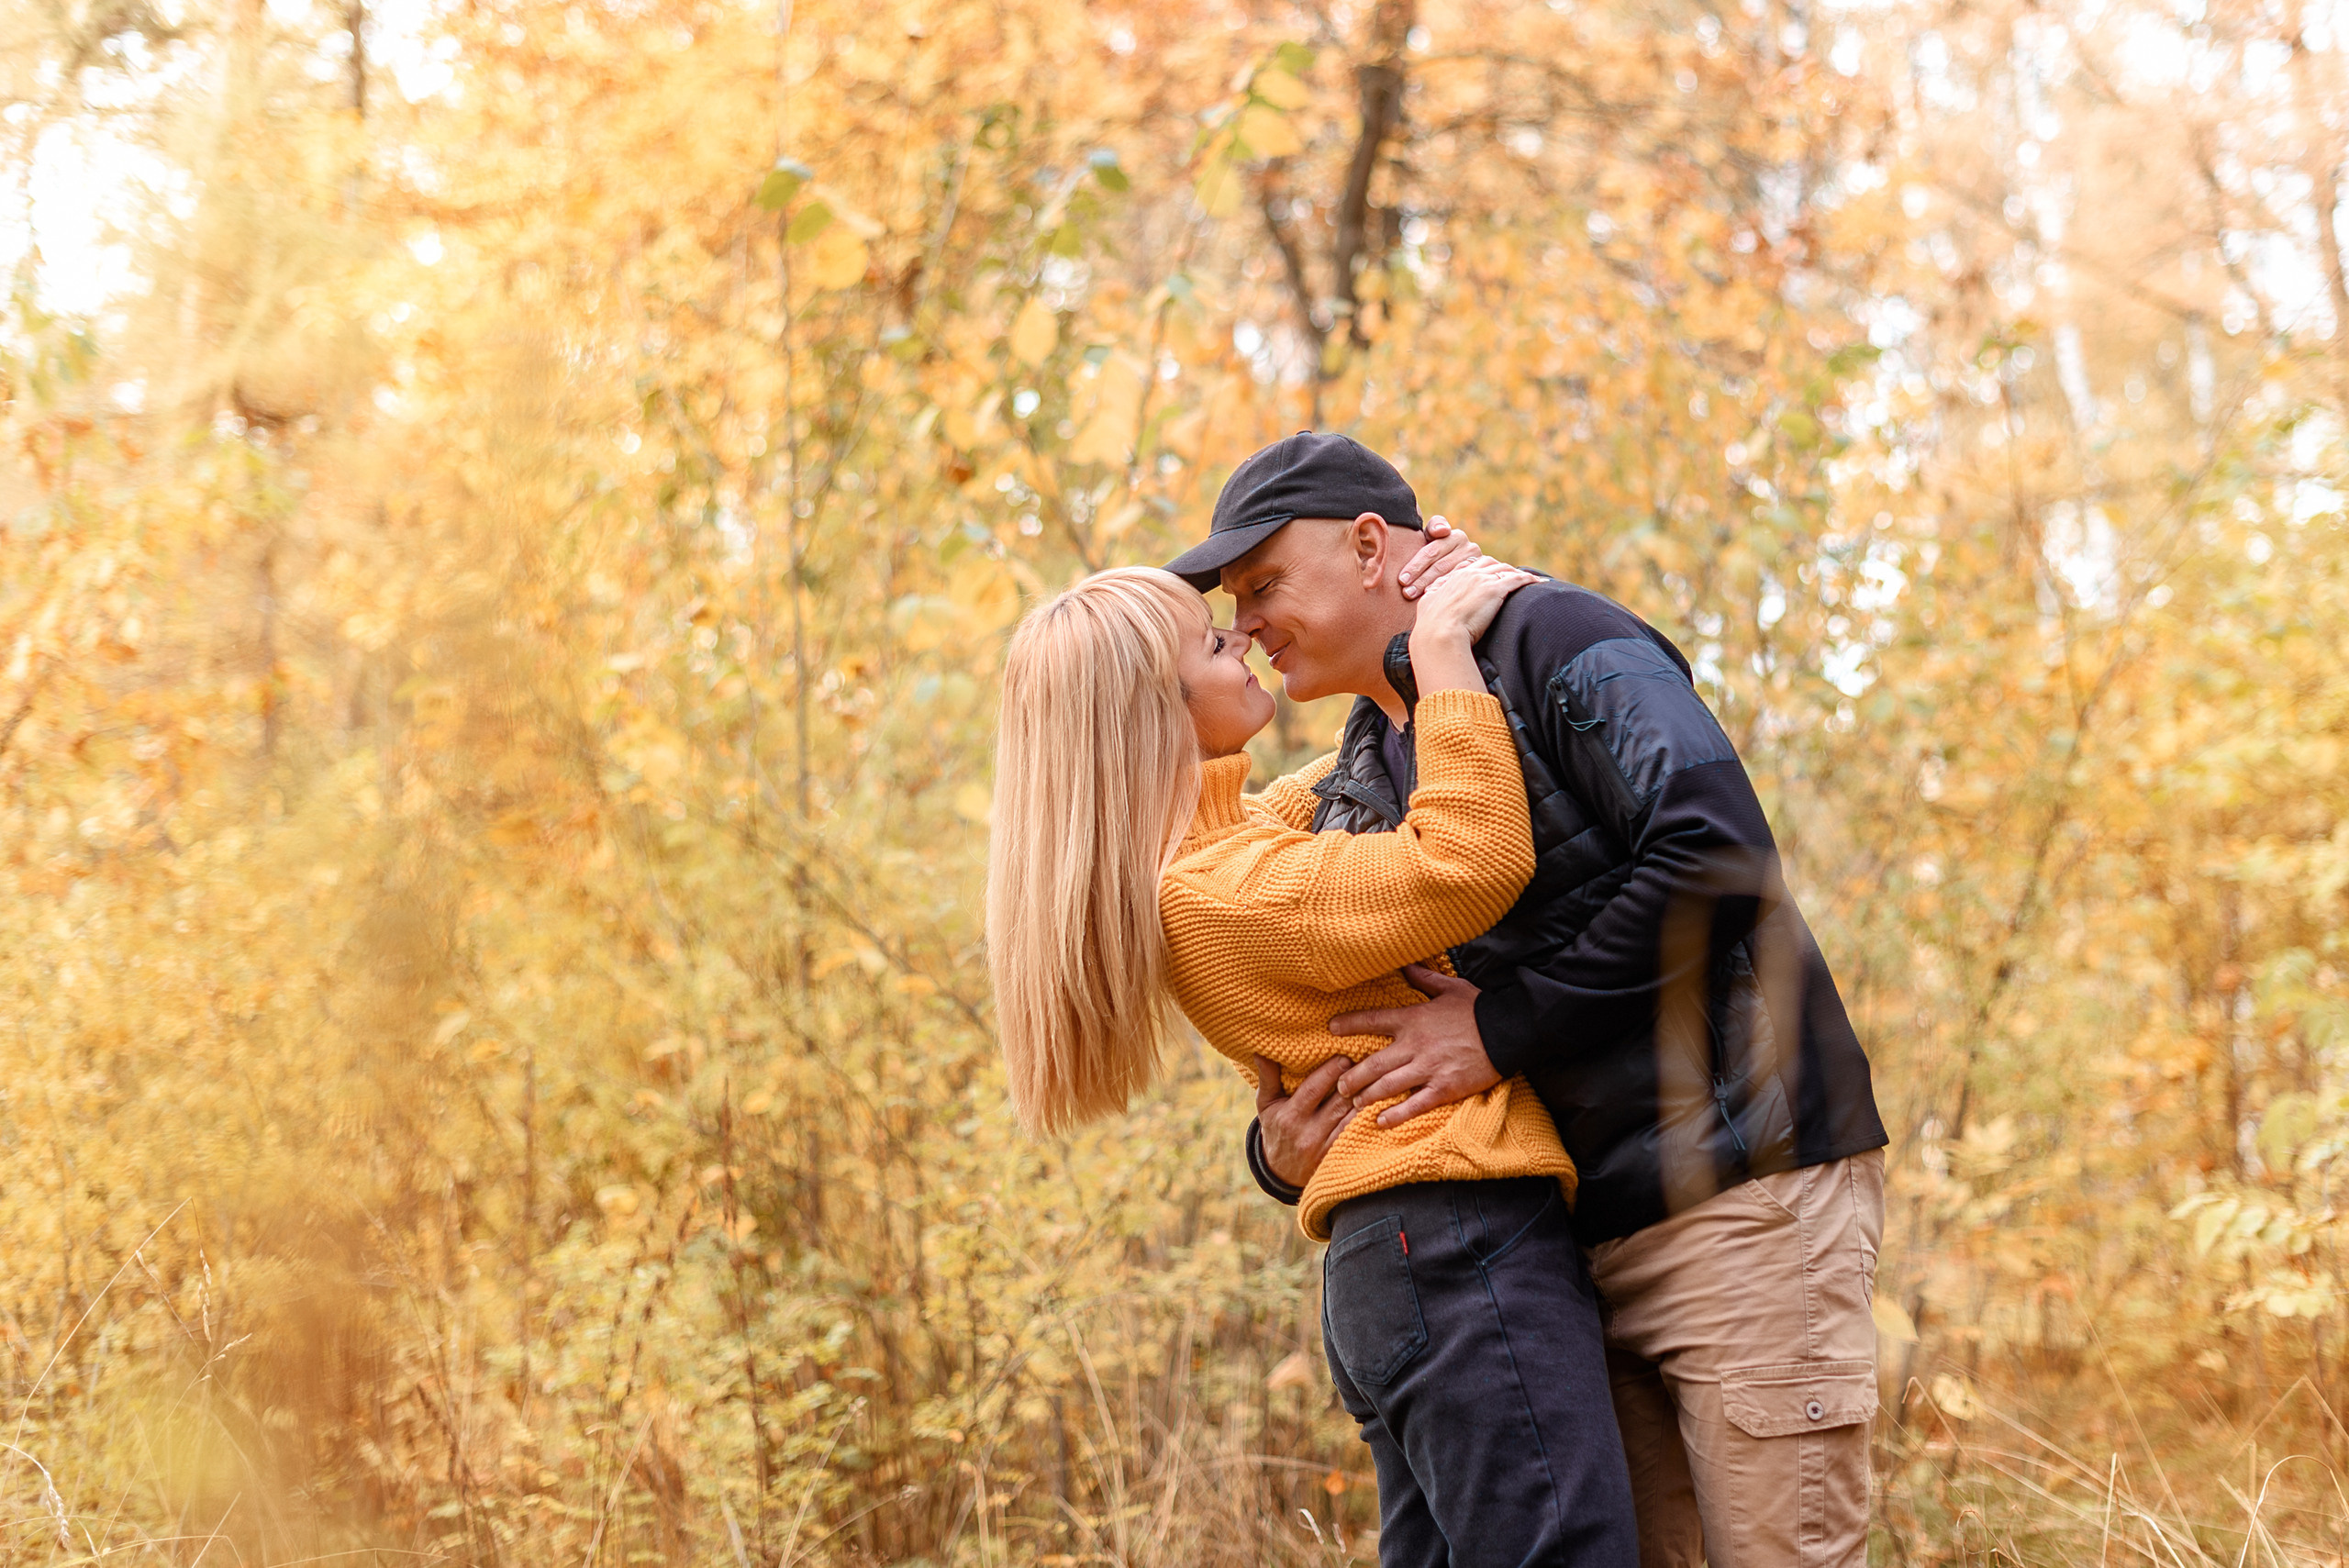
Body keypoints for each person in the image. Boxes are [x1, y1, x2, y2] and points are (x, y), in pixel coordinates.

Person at [1164, 431, 1891, 1568]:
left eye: (1263, 584)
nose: (1245, 621)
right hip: (1565, 1238)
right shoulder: (1365, 767)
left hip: (1741, 1187)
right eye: (1232, 601)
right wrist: (1279, 1151)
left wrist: (1500, 1027)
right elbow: (1295, 969)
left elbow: (1720, 856)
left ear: (1368, 546)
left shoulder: (1552, 636)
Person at [987, 553, 1640, 1568]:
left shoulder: (1227, 846)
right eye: (1212, 643)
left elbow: (1333, 786)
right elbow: (1467, 860)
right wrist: (1439, 653)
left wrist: (1383, 638)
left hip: (1411, 1255)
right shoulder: (1226, 888)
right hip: (1456, 1237)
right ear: (1154, 714)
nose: (1239, 636)